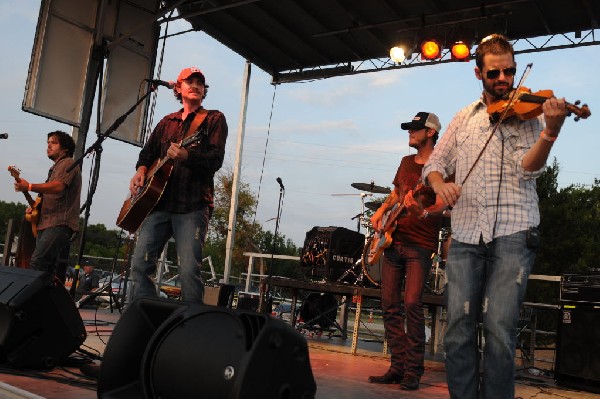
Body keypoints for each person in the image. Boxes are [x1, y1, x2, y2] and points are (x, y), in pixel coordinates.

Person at [423, 34, 567, 399]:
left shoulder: (527, 114)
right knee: (458, 328)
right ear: (478, 73)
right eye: (494, 73)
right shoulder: (464, 118)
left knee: (500, 330)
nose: (503, 79)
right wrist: (440, 186)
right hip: (468, 233)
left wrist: (550, 132)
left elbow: (527, 169)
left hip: (515, 231)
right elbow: (436, 164)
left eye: (509, 72)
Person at [129, 67, 228, 303]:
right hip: (158, 203)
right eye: (189, 81)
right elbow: (147, 154)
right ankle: (149, 315)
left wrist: (187, 156)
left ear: (204, 91)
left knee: (188, 271)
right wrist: (141, 171)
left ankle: (191, 324)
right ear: (178, 88)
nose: (195, 85)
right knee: (139, 265)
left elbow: (215, 160)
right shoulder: (166, 122)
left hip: (192, 205)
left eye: (200, 83)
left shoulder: (214, 119)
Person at [368, 112, 447, 390]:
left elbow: (445, 204)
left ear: (430, 132)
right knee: (389, 305)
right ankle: (397, 366)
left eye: (415, 129)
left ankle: (414, 370)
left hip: (420, 246)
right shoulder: (405, 162)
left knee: (412, 304)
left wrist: (422, 211)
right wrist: (381, 210)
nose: (409, 133)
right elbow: (396, 194)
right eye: (409, 128)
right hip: (393, 240)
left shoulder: (443, 165)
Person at [13, 130, 81, 283]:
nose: (49, 146)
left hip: (60, 223)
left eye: (54, 143)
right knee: (47, 269)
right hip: (46, 223)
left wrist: (29, 186)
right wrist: (34, 207)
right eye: (48, 143)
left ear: (65, 149)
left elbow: (58, 187)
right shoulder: (54, 169)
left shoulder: (68, 163)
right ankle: (45, 304)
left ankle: (31, 303)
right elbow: (48, 197)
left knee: (37, 262)